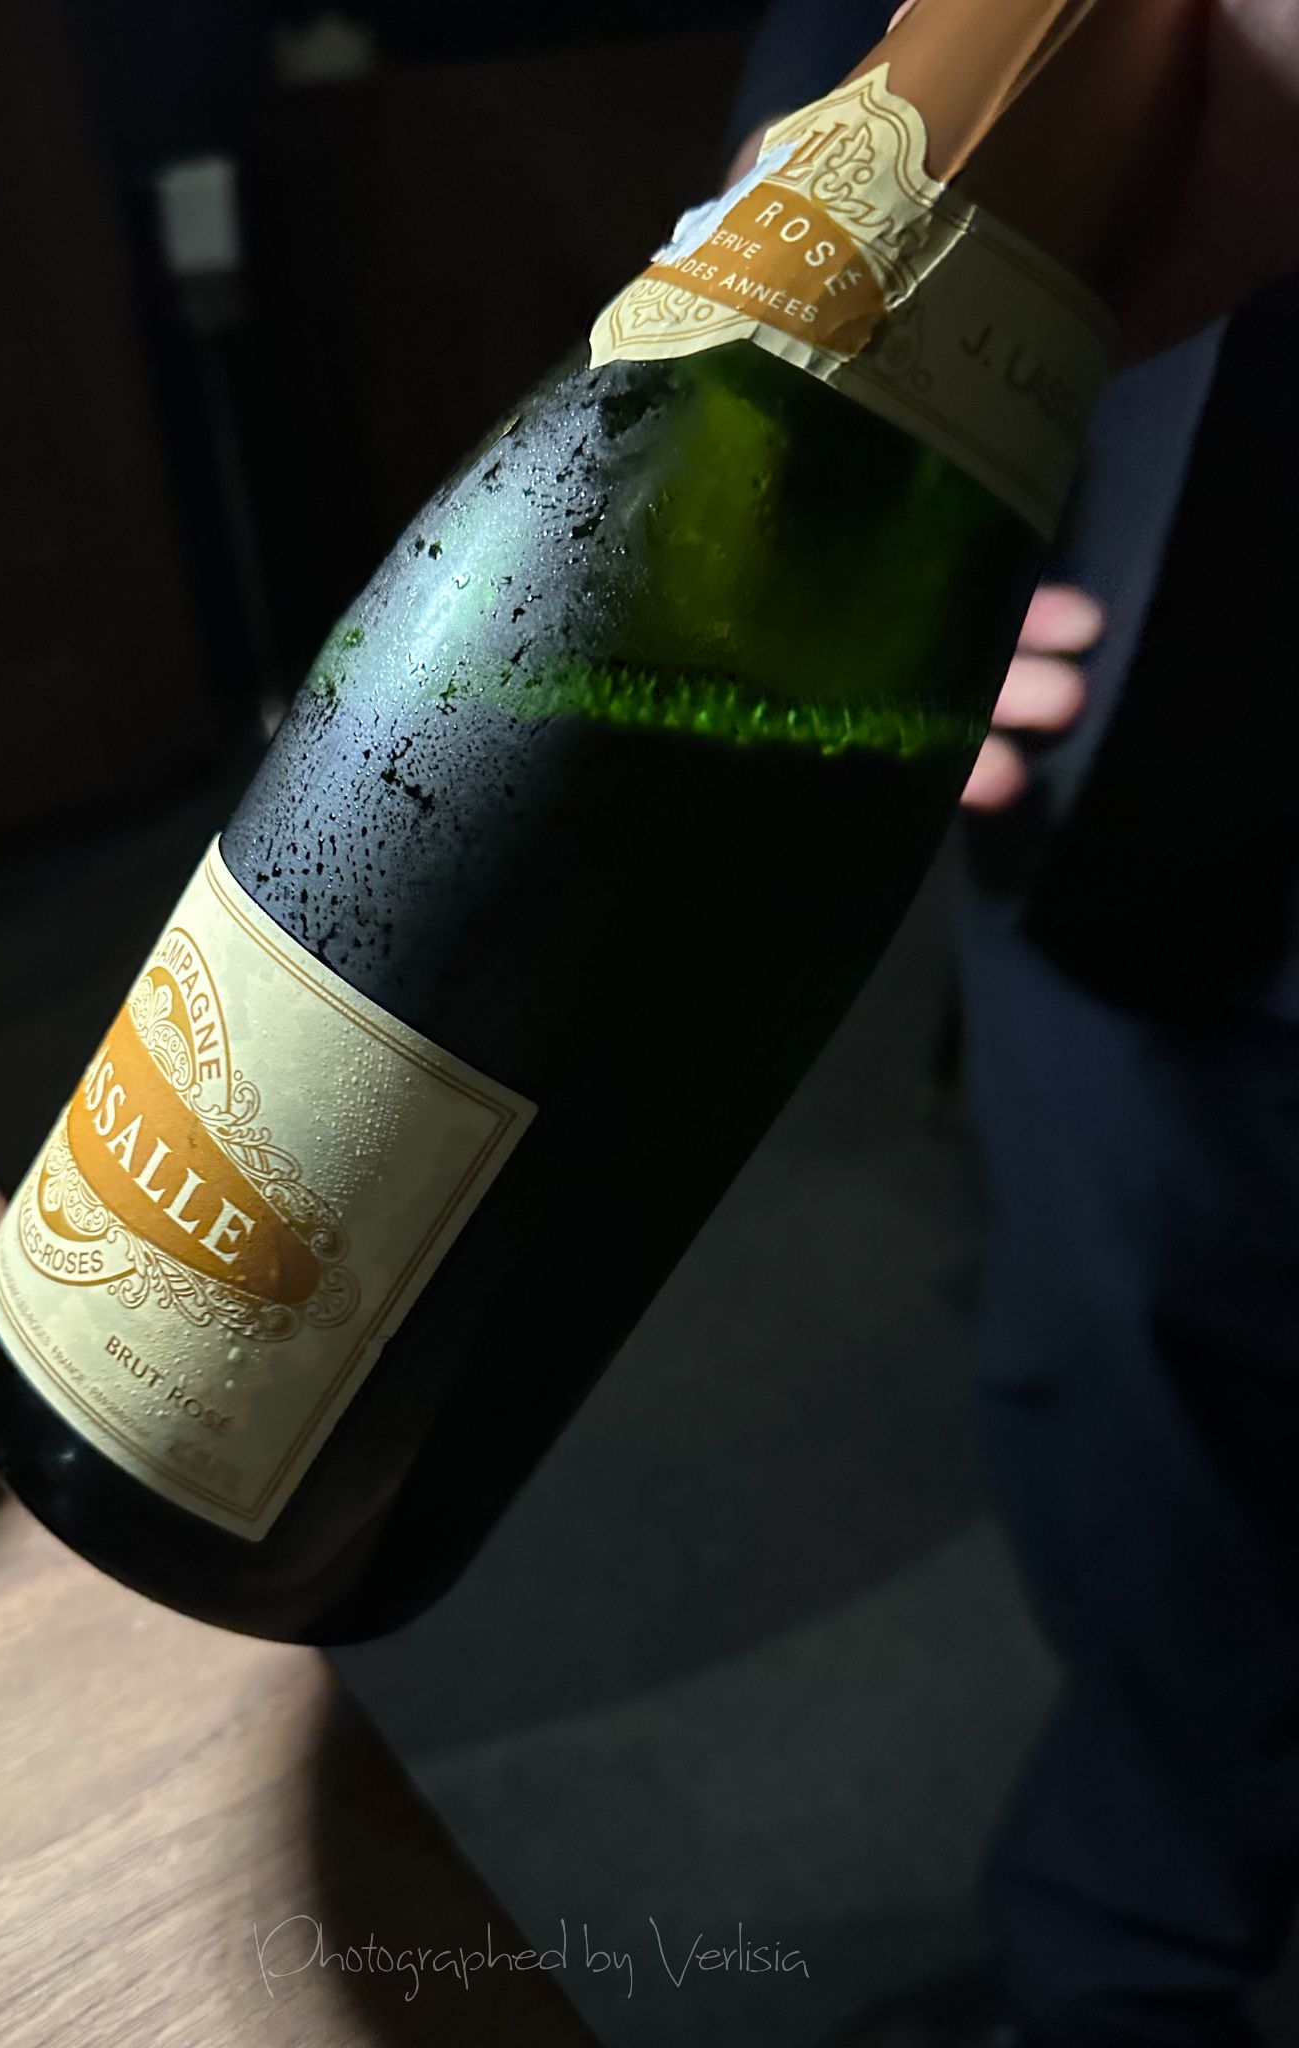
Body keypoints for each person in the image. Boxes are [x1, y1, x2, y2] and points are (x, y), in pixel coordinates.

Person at [729, 5, 1299, 2044]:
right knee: (1128, 1412)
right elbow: (844, 51)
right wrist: (854, 465)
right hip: (1129, 736)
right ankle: (1124, 1959)